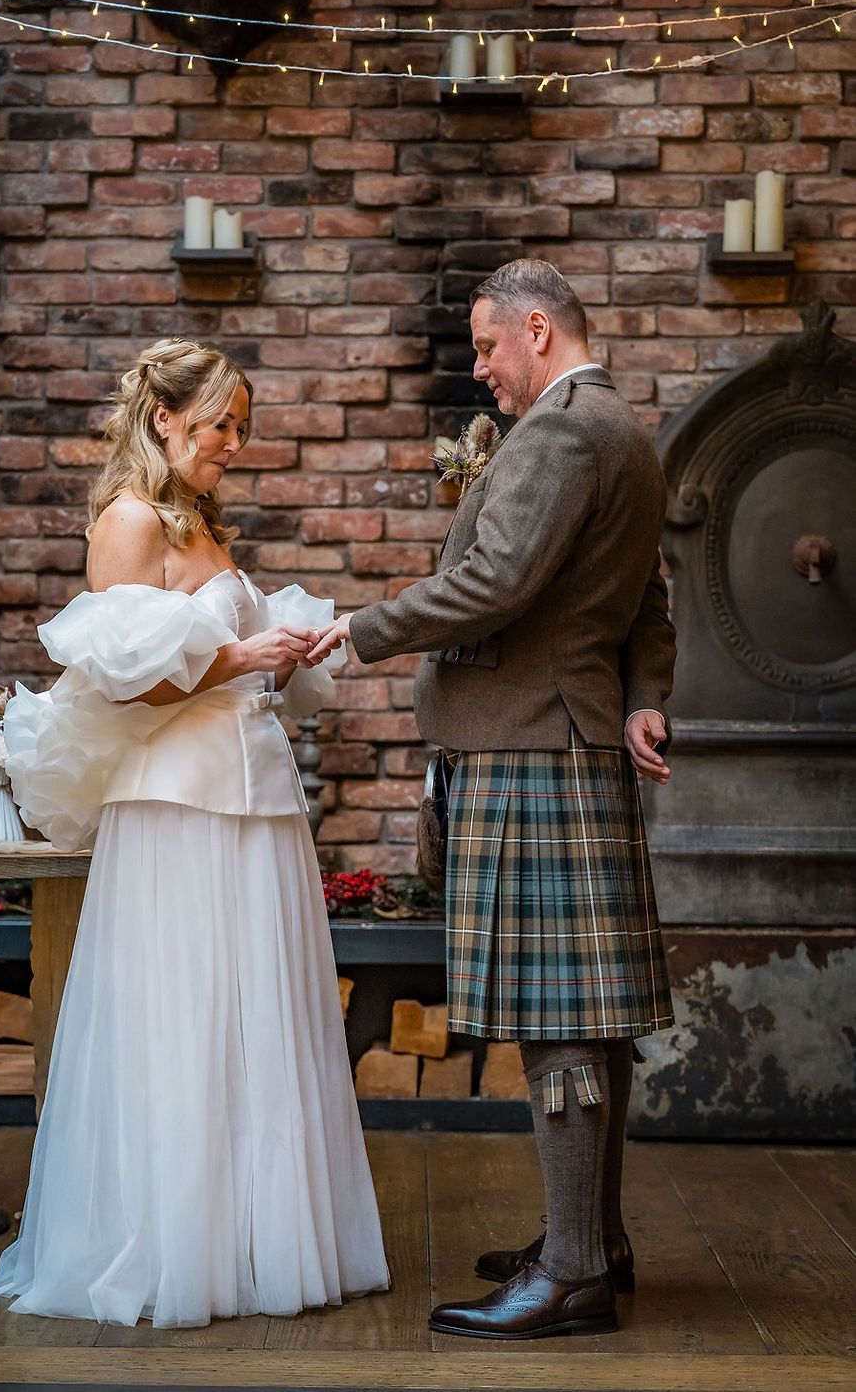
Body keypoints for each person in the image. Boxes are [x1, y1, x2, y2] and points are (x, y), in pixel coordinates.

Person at [308, 259, 676, 1341]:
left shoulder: (562, 432)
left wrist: (361, 627)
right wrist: (642, 698)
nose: (479, 373)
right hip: (564, 738)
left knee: (556, 1019)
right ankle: (588, 1241)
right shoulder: (625, 429)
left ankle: (569, 1278)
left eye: (484, 348)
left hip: (528, 754)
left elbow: (495, 582)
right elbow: (643, 604)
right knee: (591, 1021)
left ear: (535, 330)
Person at [0, 339, 389, 1327]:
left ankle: (254, 1244)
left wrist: (280, 660)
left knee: (257, 1019)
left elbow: (216, 660)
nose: (235, 443)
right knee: (183, 1019)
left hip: (252, 801)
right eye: (219, 425)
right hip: (177, 807)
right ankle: (170, 1245)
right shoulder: (128, 522)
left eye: (242, 427)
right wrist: (238, 655)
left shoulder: (203, 526)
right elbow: (118, 678)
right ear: (164, 419)